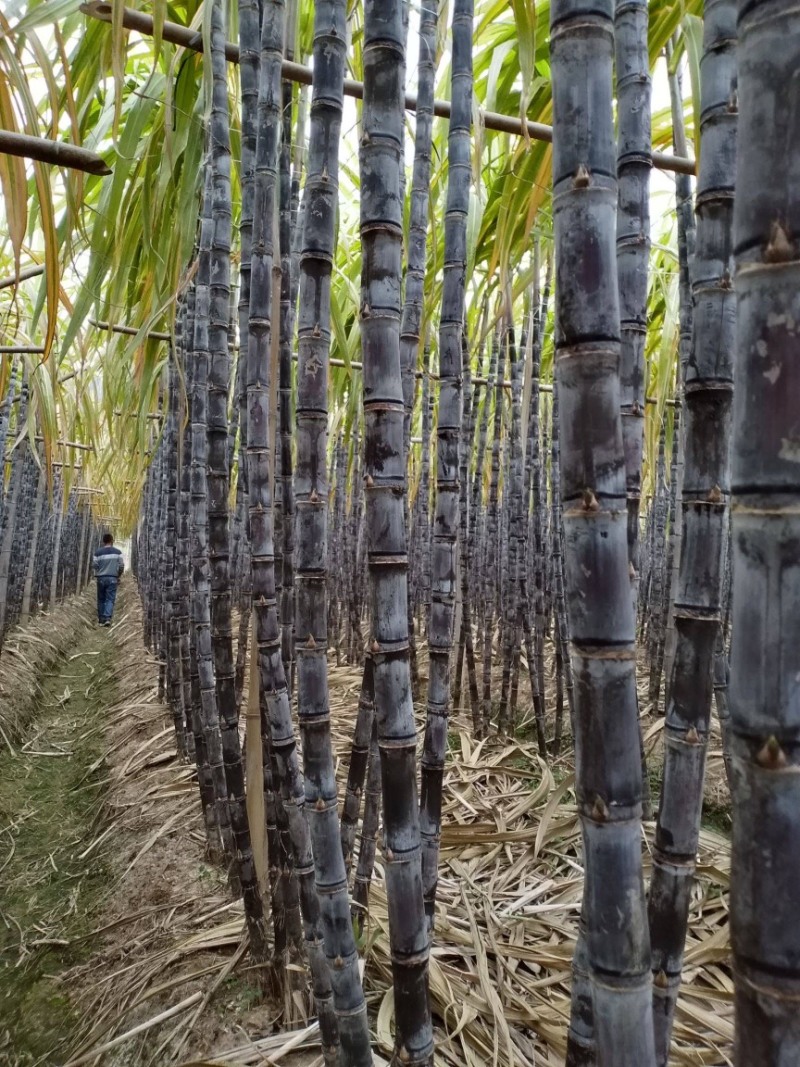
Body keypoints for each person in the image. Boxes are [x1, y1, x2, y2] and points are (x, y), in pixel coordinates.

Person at [93, 533, 124, 626]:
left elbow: (95, 565)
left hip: (101, 578)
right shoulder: (118, 552)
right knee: (110, 599)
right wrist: (118, 575)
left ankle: (101, 619)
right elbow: (121, 565)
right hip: (112, 578)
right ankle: (107, 618)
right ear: (112, 541)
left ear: (103, 541)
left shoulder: (97, 553)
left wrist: (100, 570)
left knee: (101, 598)